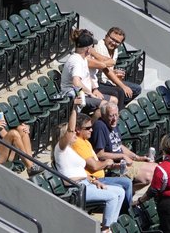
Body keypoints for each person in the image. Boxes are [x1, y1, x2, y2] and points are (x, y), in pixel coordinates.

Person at [55, 100, 129, 233]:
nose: (74, 136)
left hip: (86, 183)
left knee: (120, 191)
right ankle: (106, 229)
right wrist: (74, 109)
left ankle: (111, 226)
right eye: (71, 134)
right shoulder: (61, 150)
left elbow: (81, 172)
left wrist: (93, 181)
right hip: (76, 189)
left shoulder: (73, 151)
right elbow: (72, 130)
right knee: (112, 196)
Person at [91, 98, 155, 190]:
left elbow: (119, 145)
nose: (115, 119)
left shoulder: (113, 124)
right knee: (147, 178)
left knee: (156, 168)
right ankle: (127, 194)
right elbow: (100, 154)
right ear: (104, 116)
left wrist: (138, 157)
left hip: (124, 161)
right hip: (114, 166)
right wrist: (122, 156)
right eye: (111, 116)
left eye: (116, 115)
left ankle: (128, 193)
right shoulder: (100, 126)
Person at [89, 27, 140, 104]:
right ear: (106, 36)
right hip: (99, 82)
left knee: (137, 89)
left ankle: (117, 108)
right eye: (112, 39)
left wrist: (115, 72)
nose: (113, 43)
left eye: (117, 42)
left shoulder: (115, 49)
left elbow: (110, 69)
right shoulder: (99, 46)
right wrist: (123, 86)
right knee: (121, 91)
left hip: (108, 80)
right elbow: (106, 70)